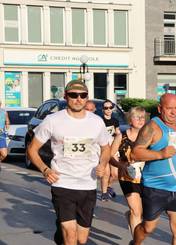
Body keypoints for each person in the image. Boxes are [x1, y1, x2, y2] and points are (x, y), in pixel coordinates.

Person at [27, 79, 111, 245]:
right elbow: (32, 149)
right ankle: (64, 231)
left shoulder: (96, 121)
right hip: (62, 183)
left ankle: (61, 233)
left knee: (81, 238)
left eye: (83, 95)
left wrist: (102, 164)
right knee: (70, 235)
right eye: (73, 95)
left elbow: (106, 148)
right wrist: (45, 170)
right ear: (66, 96)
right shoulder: (53, 120)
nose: (78, 99)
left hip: (88, 184)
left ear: (87, 98)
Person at [131, 93, 176, 245]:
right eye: (169, 109)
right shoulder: (152, 128)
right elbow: (135, 153)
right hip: (156, 188)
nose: (174, 112)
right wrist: (160, 154)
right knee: (148, 228)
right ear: (160, 108)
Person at [110, 106, 146, 239]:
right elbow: (110, 154)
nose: (141, 120)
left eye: (143, 117)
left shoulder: (148, 137)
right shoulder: (122, 136)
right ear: (130, 120)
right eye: (137, 117)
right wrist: (118, 166)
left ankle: (130, 215)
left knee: (143, 213)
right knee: (136, 212)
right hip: (127, 177)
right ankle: (136, 241)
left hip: (145, 177)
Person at [100, 99, 121, 201]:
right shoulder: (100, 121)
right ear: (103, 109)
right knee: (106, 173)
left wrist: (120, 136)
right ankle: (104, 193)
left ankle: (108, 186)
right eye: (106, 108)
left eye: (110, 108)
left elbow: (117, 132)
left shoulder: (115, 121)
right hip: (103, 149)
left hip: (113, 148)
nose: (108, 110)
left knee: (115, 174)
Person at [0, 100, 10, 171]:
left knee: (4, 154)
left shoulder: (4, 112)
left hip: (1, 135)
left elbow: (7, 121)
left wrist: (7, 127)